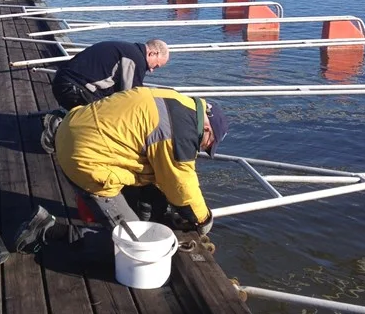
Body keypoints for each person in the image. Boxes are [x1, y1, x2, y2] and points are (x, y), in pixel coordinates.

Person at [17, 87, 228, 254]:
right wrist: (203, 220)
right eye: (208, 145)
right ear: (207, 129)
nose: (203, 149)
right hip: (86, 159)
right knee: (133, 244)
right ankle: (47, 232)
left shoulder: (177, 100)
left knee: (150, 188)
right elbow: (182, 186)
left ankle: (119, 215)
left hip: (71, 130)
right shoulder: (182, 133)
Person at [41, 38, 170, 153]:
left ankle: (66, 115)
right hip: (72, 89)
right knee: (109, 117)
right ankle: (58, 126)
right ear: (153, 53)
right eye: (156, 66)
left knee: (111, 103)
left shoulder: (126, 48)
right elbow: (131, 99)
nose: (152, 70)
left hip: (64, 83)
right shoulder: (136, 60)